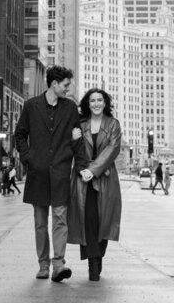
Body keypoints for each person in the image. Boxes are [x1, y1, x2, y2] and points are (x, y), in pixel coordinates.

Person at [14, 65, 83, 282]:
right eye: (66, 85)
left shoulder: (71, 108)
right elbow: (20, 135)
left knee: (60, 219)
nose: (68, 88)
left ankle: (58, 264)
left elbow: (77, 139)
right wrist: (29, 158)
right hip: (38, 173)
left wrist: (74, 145)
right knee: (40, 222)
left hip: (61, 172)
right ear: (54, 84)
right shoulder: (31, 106)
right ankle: (43, 264)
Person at [67, 88, 123, 282]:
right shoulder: (80, 125)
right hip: (83, 180)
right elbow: (75, 150)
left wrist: (94, 170)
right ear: (87, 104)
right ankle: (93, 264)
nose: (97, 103)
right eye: (93, 101)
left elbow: (112, 149)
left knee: (103, 222)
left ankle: (98, 256)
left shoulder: (113, 124)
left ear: (105, 103)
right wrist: (74, 142)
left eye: (100, 100)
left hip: (105, 179)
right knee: (88, 220)